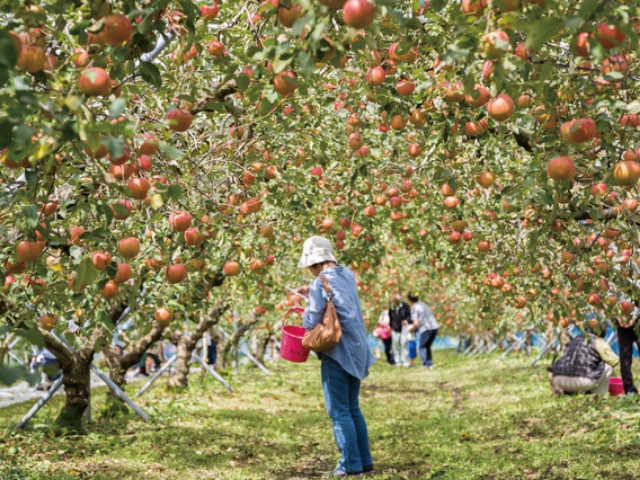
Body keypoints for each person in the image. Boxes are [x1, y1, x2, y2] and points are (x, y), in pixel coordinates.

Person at [295, 236, 375, 478]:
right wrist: (313, 293)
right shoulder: (347, 274)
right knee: (352, 408)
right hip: (358, 349)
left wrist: (306, 305)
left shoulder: (319, 283)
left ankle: (350, 466)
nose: (310, 271)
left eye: (310, 266)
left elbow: (311, 319)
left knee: (338, 410)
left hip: (337, 351)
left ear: (315, 263)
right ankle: (364, 463)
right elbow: (336, 299)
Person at [548, 323, 619, 396]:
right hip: (583, 382)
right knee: (607, 367)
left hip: (559, 380)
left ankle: (570, 392)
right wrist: (600, 361)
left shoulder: (575, 339)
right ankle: (598, 394)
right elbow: (614, 360)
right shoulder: (597, 341)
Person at [407, 292, 439, 369]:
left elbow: (416, 323)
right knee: (428, 346)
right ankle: (430, 364)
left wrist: (410, 330)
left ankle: (425, 364)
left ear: (409, 300)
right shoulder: (423, 304)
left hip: (426, 328)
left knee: (421, 347)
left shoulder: (414, 308)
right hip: (434, 327)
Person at [389, 295, 411, 367]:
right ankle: (398, 361)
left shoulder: (405, 306)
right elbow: (391, 318)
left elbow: (410, 316)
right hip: (395, 328)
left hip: (404, 328)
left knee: (404, 344)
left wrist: (407, 321)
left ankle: (405, 361)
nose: (395, 302)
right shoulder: (392, 307)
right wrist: (391, 326)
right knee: (396, 346)